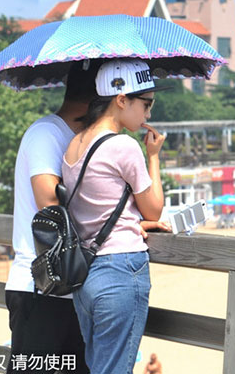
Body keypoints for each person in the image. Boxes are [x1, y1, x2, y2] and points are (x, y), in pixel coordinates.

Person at [63, 59, 169, 374]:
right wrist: (153, 157)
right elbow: (154, 208)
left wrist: (130, 220)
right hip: (121, 269)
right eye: (145, 104)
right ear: (121, 100)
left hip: (86, 275)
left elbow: (98, 205)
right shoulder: (123, 145)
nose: (148, 114)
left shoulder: (75, 144)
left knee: (100, 366)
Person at [5, 61, 98, 374]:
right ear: (99, 100)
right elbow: (48, 203)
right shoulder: (47, 133)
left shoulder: (81, 141)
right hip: (40, 286)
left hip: (71, 288)